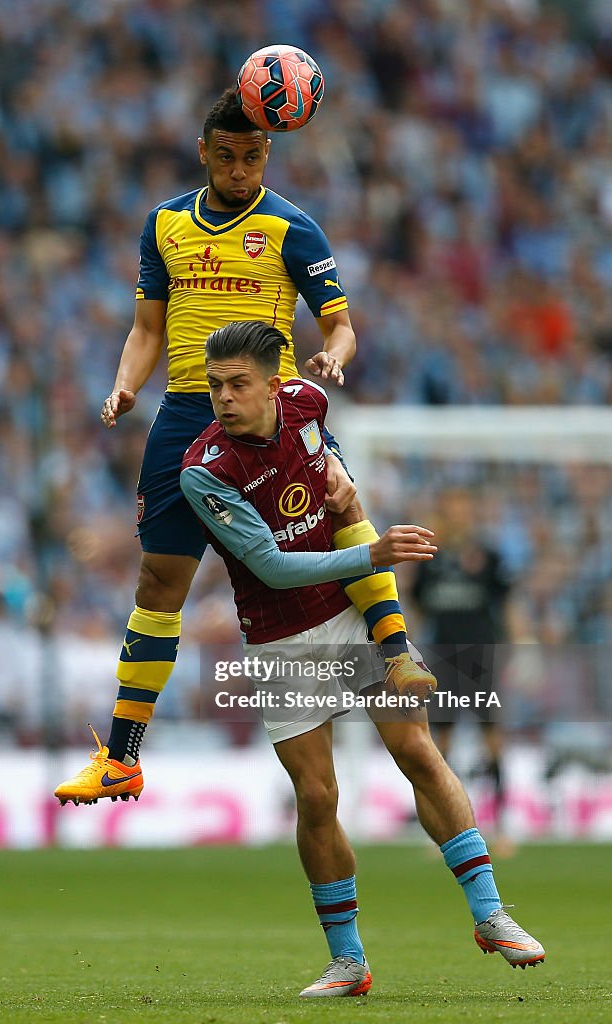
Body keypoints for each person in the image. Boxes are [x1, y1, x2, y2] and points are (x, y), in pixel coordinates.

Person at [55, 88, 433, 806]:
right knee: (157, 584)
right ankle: (123, 757)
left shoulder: (293, 227)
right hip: (185, 412)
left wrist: (335, 357)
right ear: (204, 152)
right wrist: (124, 386)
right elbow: (146, 330)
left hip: (274, 408)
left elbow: (340, 323)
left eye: (253, 156)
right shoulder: (164, 224)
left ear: (270, 152)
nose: (239, 170)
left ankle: (395, 651)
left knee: (342, 502)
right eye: (226, 156)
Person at [179, 321, 544, 998]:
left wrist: (341, 476)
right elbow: (270, 566)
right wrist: (371, 554)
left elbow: (329, 461)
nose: (224, 398)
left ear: (271, 384)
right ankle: (347, 961)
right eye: (214, 386)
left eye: (237, 384)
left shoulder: (309, 403)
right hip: (281, 636)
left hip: (351, 613)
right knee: (317, 797)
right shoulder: (206, 472)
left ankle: (492, 914)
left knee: (417, 752)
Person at [410, 489, 512, 839]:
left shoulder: (489, 556)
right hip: (442, 657)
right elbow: (416, 606)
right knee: (442, 741)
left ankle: (499, 824)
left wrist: (523, 650)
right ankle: (447, 826)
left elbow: (506, 605)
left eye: (464, 507)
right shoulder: (430, 557)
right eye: (452, 506)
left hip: (481, 655)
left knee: (492, 735)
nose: (458, 514)